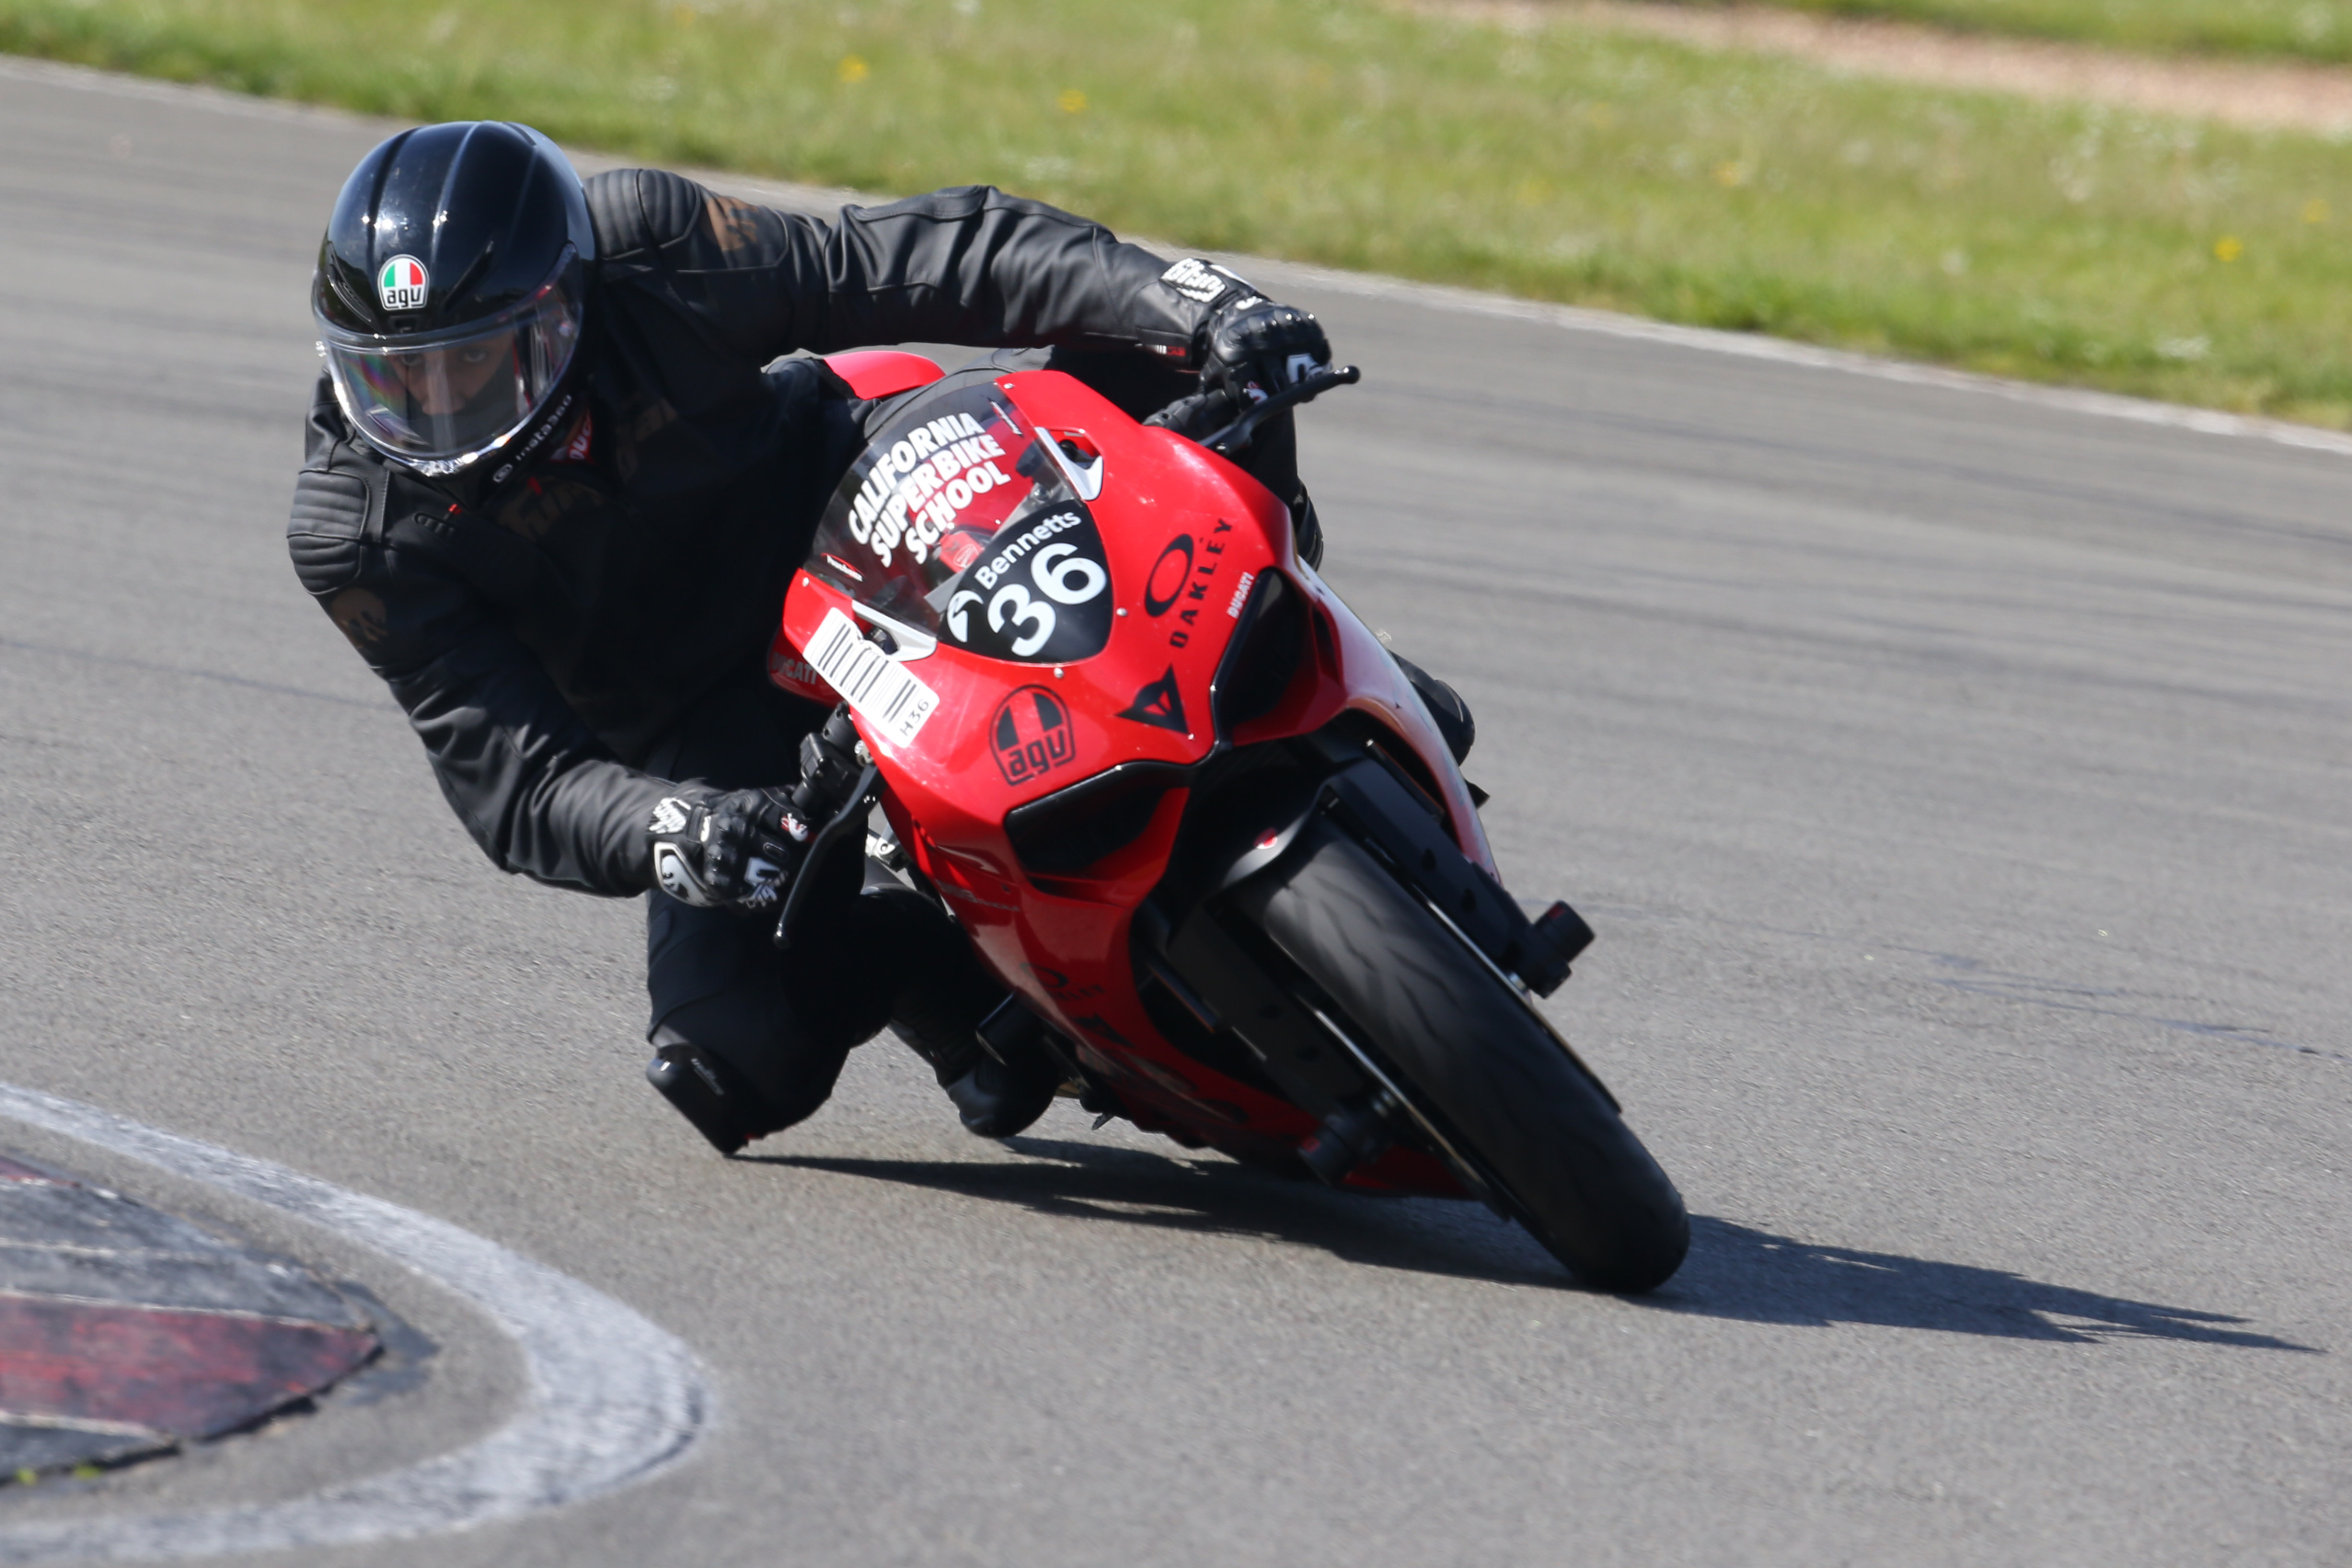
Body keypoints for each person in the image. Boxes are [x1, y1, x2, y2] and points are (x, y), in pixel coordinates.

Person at [289, 120, 1473, 1156]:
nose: (446, 416)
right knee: (729, 1063)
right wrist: (674, 824)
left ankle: (1310, 645)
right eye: (404, 383)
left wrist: (1194, 298)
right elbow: (516, 782)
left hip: (852, 502)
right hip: (706, 718)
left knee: (1163, 354)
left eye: (481, 364)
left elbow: (915, 259)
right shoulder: (360, 536)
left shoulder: (647, 245)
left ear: (569, 298)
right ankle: (942, 971)